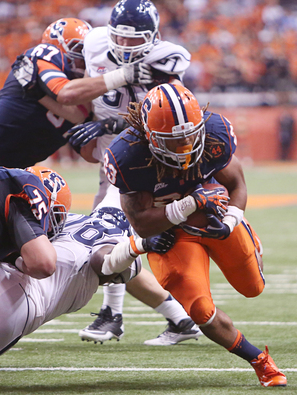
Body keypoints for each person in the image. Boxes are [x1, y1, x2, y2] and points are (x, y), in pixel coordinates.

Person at [103, 83, 287, 387]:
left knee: (253, 288)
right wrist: (190, 204)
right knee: (200, 310)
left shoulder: (215, 133)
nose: (187, 144)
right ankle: (259, 361)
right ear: (150, 137)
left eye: (191, 135)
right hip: (171, 236)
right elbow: (142, 224)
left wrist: (230, 220)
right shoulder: (128, 156)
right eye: (174, 140)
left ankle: (245, 235)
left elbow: (236, 183)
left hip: (213, 219)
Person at [68, 0, 201, 346]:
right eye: (120, 39)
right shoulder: (95, 43)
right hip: (111, 155)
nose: (126, 47)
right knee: (112, 237)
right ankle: (175, 320)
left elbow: (166, 104)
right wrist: (89, 124)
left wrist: (109, 123)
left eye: (135, 39)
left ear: (154, 36)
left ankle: (119, 316)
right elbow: (83, 90)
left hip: (144, 155)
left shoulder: (170, 57)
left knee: (108, 233)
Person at [0, 204, 174, 371]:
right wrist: (139, 246)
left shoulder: (69, 219)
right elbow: (104, 263)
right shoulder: (118, 238)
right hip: (18, 304)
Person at [0, 17, 151, 170]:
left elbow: (84, 130)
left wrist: (40, 96)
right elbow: (65, 94)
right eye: (81, 49)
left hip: (11, 170)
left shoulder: (87, 90)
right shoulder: (44, 55)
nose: (87, 57)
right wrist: (122, 75)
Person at [0, 165, 71, 279]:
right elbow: (44, 264)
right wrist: (17, 261)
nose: (50, 228)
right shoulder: (28, 187)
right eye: (54, 218)